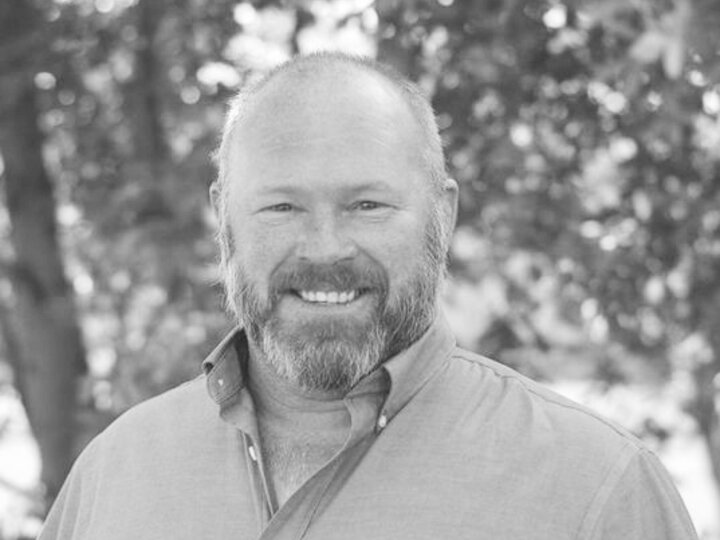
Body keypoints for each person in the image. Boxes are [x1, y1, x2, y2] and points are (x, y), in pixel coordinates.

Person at [39, 52, 698, 540]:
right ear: (224, 220)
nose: (325, 249)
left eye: (367, 204)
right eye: (281, 206)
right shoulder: (112, 476)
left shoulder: (598, 491)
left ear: (444, 214)